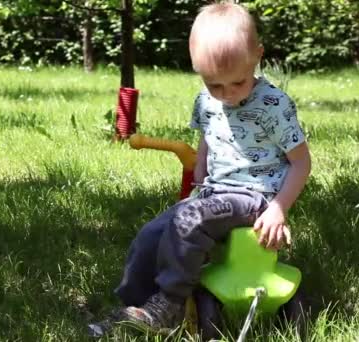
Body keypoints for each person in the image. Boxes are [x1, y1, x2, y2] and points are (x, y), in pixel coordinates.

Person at [88, 1, 311, 337]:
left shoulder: (273, 105)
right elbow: (209, 132)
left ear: (258, 56)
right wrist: (201, 168)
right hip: (214, 193)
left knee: (189, 219)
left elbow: (301, 162)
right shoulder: (206, 100)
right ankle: (137, 307)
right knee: (151, 233)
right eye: (214, 85)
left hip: (255, 197)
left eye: (237, 83)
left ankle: (170, 303)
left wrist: (279, 209)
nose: (227, 95)